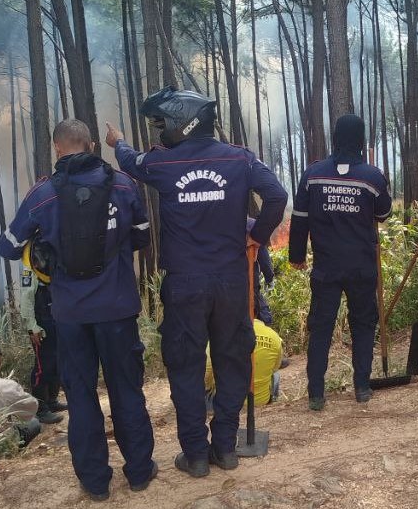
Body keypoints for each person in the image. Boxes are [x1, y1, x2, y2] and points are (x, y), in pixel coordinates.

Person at [106, 87, 287, 479]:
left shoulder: (164, 164)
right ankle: (225, 446)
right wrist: (259, 235)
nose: (158, 134)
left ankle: (197, 454)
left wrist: (118, 142)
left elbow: (130, 162)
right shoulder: (240, 158)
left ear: (182, 122)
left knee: (186, 367)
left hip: (185, 284)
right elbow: (277, 195)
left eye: (161, 125)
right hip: (231, 281)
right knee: (232, 360)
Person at [0, 119, 156, 501]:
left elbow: (6, 246)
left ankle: (95, 482)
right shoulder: (122, 184)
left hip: (69, 315)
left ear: (57, 149)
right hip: (118, 309)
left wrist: (41, 238)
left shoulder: (43, 194)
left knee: (82, 396)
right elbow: (141, 236)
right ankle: (138, 472)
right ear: (90, 145)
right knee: (127, 389)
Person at [289, 114, 392, 411]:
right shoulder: (372, 176)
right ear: (361, 139)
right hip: (361, 266)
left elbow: (299, 220)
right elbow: (383, 214)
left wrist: (296, 256)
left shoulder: (313, 174)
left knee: (320, 328)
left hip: (326, 268)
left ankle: (316, 394)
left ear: (334, 137)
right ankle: (361, 387)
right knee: (362, 325)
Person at [19, 240, 65, 424]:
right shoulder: (29, 263)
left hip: (55, 318)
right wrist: (32, 327)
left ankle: (52, 401)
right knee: (42, 367)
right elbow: (26, 298)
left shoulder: (51, 244)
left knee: (56, 362)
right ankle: (40, 408)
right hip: (40, 324)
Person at [205, 319, 283, 407]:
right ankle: (273, 401)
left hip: (227, 401)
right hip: (261, 400)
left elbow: (208, 368)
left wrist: (207, 388)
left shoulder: (222, 332)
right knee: (276, 374)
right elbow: (276, 367)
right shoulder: (273, 335)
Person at [247, 217, 275, 326]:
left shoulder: (216, 225)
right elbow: (263, 258)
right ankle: (265, 333)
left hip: (222, 283)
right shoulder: (251, 226)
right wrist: (269, 278)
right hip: (249, 280)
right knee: (260, 309)